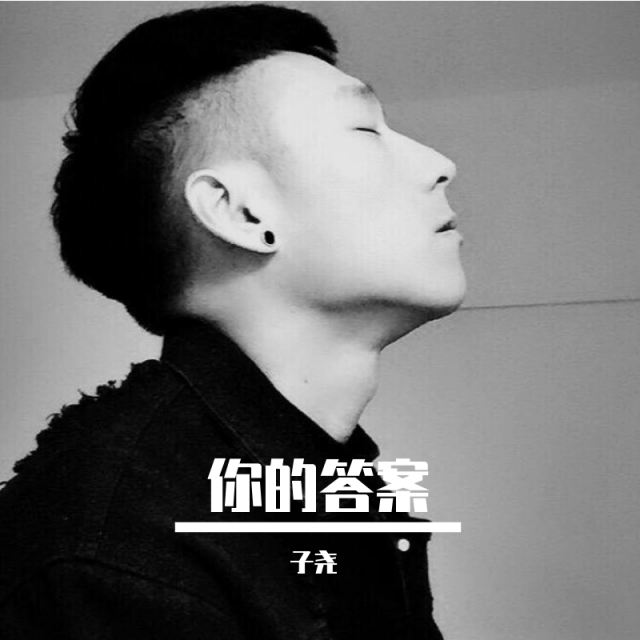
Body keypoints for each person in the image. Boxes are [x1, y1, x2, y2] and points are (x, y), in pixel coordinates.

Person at [0, 4, 464, 639]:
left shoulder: (337, 493)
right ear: (242, 213)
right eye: (365, 129)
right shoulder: (122, 540)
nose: (440, 163)